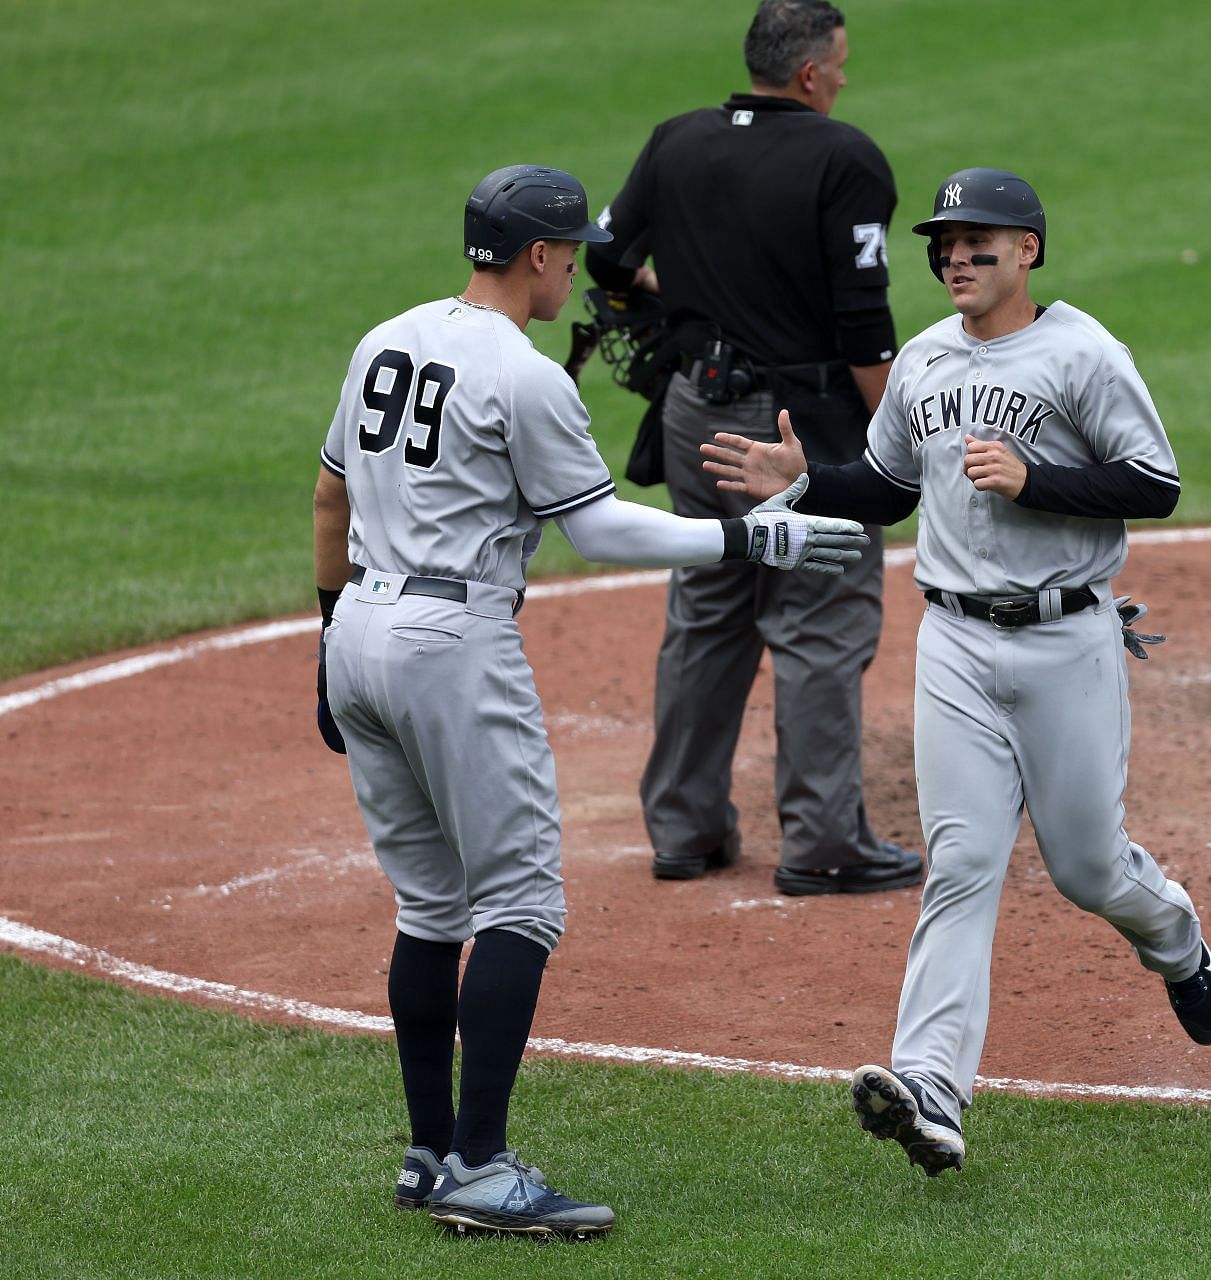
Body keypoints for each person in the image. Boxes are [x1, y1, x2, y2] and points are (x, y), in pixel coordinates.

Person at [310, 164, 868, 1235]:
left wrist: (325, 639)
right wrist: (754, 534)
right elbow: (601, 528)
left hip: (362, 627)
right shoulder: (523, 377)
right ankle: (480, 1164)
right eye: (571, 251)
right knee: (519, 903)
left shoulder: (382, 337)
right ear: (535, 256)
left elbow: (332, 491)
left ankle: (429, 1153)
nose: (582, 267)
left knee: (430, 905)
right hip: (449, 640)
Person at [700, 168, 1211, 1176]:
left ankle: (1178, 943)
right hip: (953, 642)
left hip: (1067, 637)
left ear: (1028, 248)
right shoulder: (926, 361)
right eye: (943, 241)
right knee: (961, 863)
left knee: (1085, 865)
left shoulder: (1083, 352)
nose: (955, 255)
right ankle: (931, 1093)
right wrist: (808, 480)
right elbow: (892, 488)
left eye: (977, 239)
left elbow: (1152, 483)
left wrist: (1038, 483)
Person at [585, 0, 922, 896]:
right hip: (794, 426)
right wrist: (900, 443)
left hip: (699, 410)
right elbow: (863, 327)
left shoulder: (677, 141)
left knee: (711, 604)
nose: (845, 78)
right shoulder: (845, 158)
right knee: (820, 618)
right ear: (810, 73)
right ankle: (823, 841)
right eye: (840, 64)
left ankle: (684, 831)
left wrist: (681, 289)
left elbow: (609, 258)